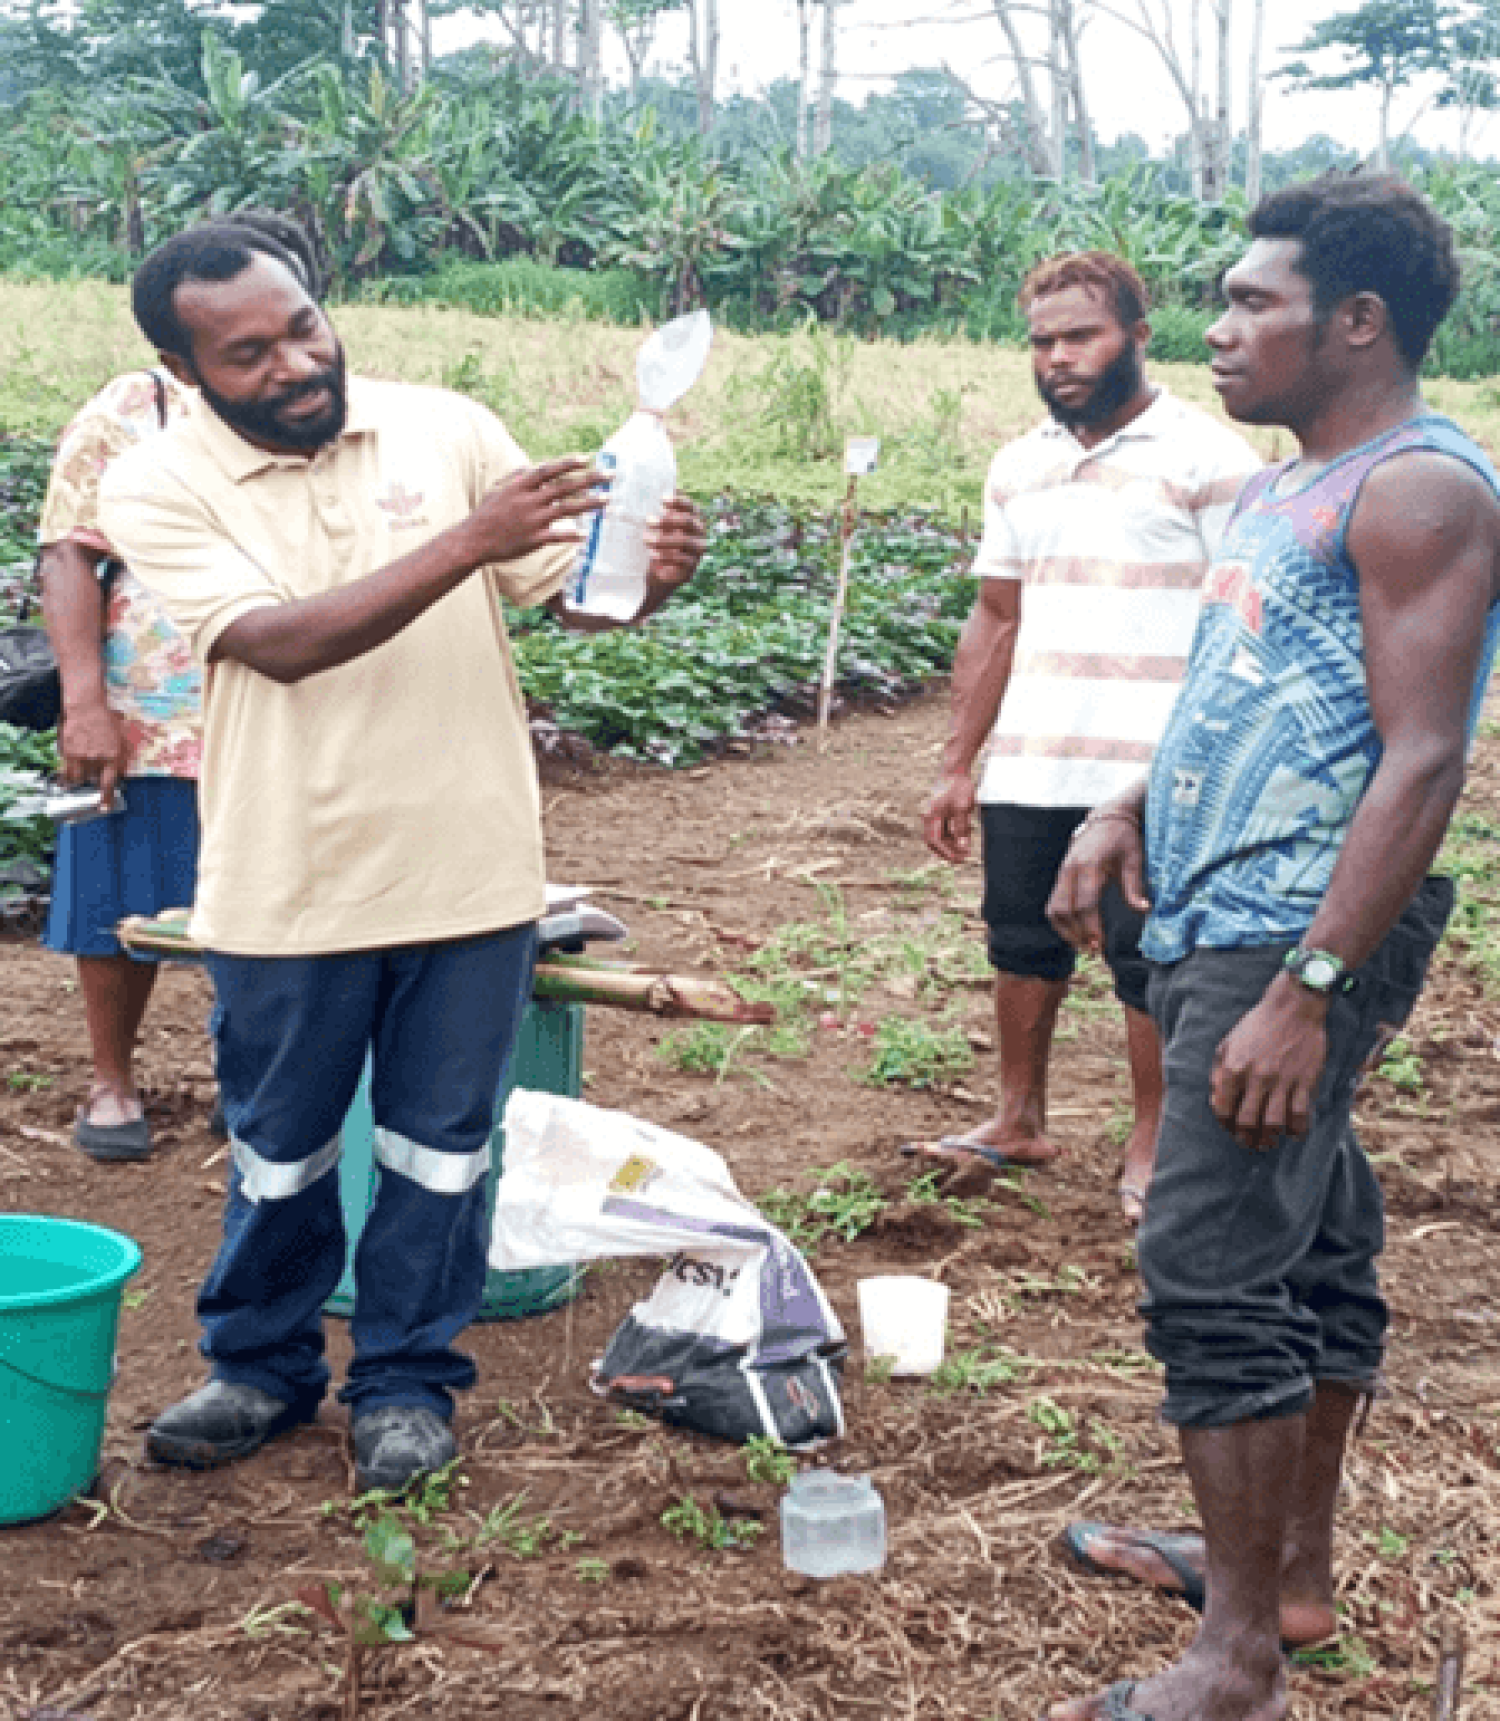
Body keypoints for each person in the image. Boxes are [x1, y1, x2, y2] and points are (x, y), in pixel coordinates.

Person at [97, 224, 708, 1493]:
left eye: (304, 325)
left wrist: (650, 579)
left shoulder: (443, 427)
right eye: (250, 353)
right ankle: (260, 1363)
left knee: (442, 1150)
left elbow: (574, 594)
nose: (296, 362)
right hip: (288, 876)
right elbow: (276, 641)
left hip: (471, 870)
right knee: (281, 1143)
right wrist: (466, 543)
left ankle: (407, 1384)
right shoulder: (156, 482)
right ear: (182, 363)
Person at [1046, 174, 1499, 1721]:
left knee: (1211, 1262)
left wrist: (1309, 988)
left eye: (1254, 304)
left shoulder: (1420, 491)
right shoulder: (1287, 485)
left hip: (1294, 931)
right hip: (1226, 909)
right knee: (1313, 1236)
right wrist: (1124, 804)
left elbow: (1422, 757)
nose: (1221, 330)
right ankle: (1283, 1580)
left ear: (1356, 322)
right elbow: (1244, 689)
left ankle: (1234, 1665)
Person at [917, 252, 1260, 1221]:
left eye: (1082, 336)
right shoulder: (1020, 463)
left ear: (1139, 338)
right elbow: (994, 617)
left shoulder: (1210, 458)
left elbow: (1240, 624)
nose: (1060, 357)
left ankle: (1152, 1141)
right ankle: (1016, 1116)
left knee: (1143, 951)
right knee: (1019, 940)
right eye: (1043, 340)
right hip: (1034, 752)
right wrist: (956, 762)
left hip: (1152, 770)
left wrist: (1196, 763)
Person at [38, 211, 327, 1162]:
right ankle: (112, 1080)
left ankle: (241, 1075)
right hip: (154, 704)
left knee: (270, 897)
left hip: (282, 701)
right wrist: (86, 700)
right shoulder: (136, 409)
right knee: (117, 896)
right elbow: (72, 553)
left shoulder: (321, 406)